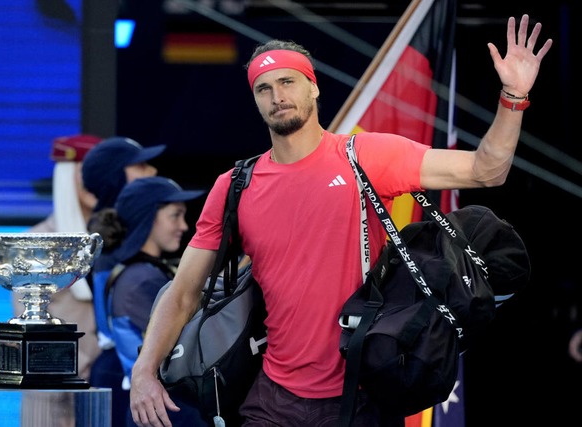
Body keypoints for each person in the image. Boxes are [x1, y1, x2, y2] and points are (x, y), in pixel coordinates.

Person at [129, 14, 552, 427]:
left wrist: (513, 98)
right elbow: (182, 292)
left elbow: (486, 170)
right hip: (273, 399)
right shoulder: (234, 186)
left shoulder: (365, 155)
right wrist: (144, 372)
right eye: (264, 88)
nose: (277, 95)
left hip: (363, 395)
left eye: (288, 82)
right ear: (254, 100)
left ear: (313, 87)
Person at [103, 176, 206, 426]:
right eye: (175, 215)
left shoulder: (133, 271)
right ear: (148, 217)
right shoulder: (142, 279)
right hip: (164, 409)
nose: (184, 225)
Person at [81, 136, 166, 427]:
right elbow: (114, 326)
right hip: (123, 372)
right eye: (140, 167)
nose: (152, 171)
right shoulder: (106, 245)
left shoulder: (127, 236)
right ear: (115, 178)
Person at [11, 133, 103, 381]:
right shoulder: (37, 241)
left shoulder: (112, 239)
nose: (95, 181)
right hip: (55, 382)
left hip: (107, 383)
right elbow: (29, 322)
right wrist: (78, 368)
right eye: (87, 172)